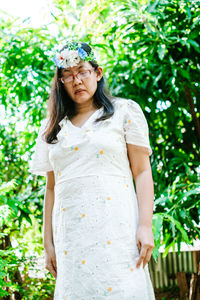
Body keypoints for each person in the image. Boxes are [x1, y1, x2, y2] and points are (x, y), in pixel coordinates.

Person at [29, 41, 155, 299]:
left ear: (97, 73)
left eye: (83, 72)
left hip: (118, 232)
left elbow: (142, 172)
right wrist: (47, 244)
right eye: (68, 76)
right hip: (72, 240)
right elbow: (51, 188)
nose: (76, 81)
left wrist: (145, 225)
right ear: (61, 82)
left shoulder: (124, 112)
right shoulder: (52, 129)